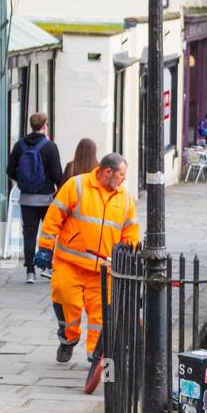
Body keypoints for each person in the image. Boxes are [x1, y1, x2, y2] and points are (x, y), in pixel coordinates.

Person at [34, 153, 140, 393]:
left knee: (101, 316)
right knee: (64, 298)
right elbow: (54, 217)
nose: (124, 180)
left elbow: (131, 231)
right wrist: (45, 247)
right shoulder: (77, 185)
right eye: (121, 175)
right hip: (70, 262)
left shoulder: (125, 199)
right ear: (107, 172)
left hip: (104, 270)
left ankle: (96, 357)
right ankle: (68, 337)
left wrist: (130, 256)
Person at [7, 112, 64, 284]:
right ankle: (47, 267)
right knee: (48, 234)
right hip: (46, 198)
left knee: (29, 235)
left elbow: (10, 170)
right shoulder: (50, 147)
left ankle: (30, 272)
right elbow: (57, 175)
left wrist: (25, 181)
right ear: (45, 125)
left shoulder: (19, 146)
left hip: (26, 199)